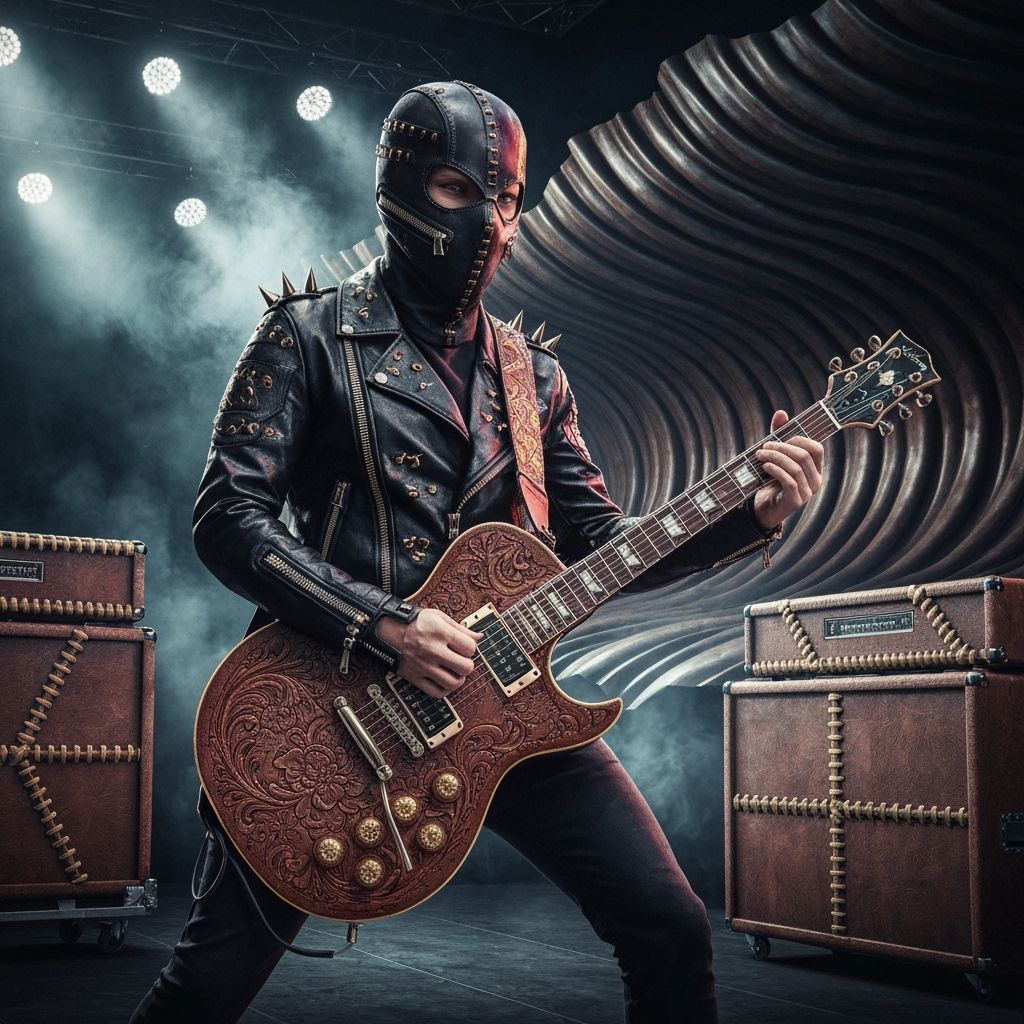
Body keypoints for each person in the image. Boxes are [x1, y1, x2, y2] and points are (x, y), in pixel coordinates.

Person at [131, 80, 823, 1023]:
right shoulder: (304, 337)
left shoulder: (534, 378)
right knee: (206, 989)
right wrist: (384, 624)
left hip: (506, 715)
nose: (489, 222)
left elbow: (607, 549)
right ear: (399, 190)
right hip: (326, 720)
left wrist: (751, 517)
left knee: (671, 928)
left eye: (505, 200)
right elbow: (228, 517)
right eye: (460, 191)